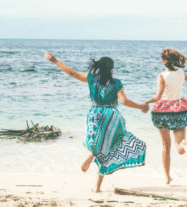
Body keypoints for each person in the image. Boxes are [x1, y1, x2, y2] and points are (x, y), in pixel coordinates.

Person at [44, 52, 148, 193]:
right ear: (111, 69)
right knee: (106, 152)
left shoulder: (92, 79)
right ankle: (97, 185)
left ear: (98, 67)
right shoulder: (116, 83)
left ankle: (91, 154)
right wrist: (141, 106)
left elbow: (73, 73)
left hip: (95, 115)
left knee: (96, 146)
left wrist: (55, 61)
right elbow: (124, 101)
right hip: (112, 117)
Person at [145, 48, 187, 185]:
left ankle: (167, 177)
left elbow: (158, 97)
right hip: (179, 109)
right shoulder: (181, 73)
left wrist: (146, 102)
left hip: (163, 112)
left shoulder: (162, 76)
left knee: (166, 145)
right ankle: (184, 143)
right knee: (179, 146)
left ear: (163, 61)